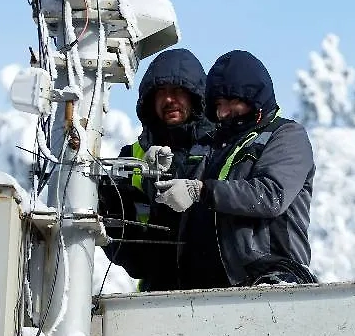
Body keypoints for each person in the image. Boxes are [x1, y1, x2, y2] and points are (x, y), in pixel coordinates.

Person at [153, 49, 317, 287]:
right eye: (218, 103)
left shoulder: (285, 136)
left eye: (232, 101)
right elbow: (180, 202)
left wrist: (201, 191)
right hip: (203, 287)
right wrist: (164, 170)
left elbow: (271, 195)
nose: (223, 112)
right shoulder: (210, 146)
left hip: (271, 276)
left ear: (254, 99)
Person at [99, 47, 215, 291]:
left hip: (217, 293)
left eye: (177, 91)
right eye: (161, 92)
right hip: (156, 297)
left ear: (195, 96)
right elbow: (130, 256)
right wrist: (109, 206)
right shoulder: (131, 158)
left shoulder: (220, 150)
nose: (169, 99)